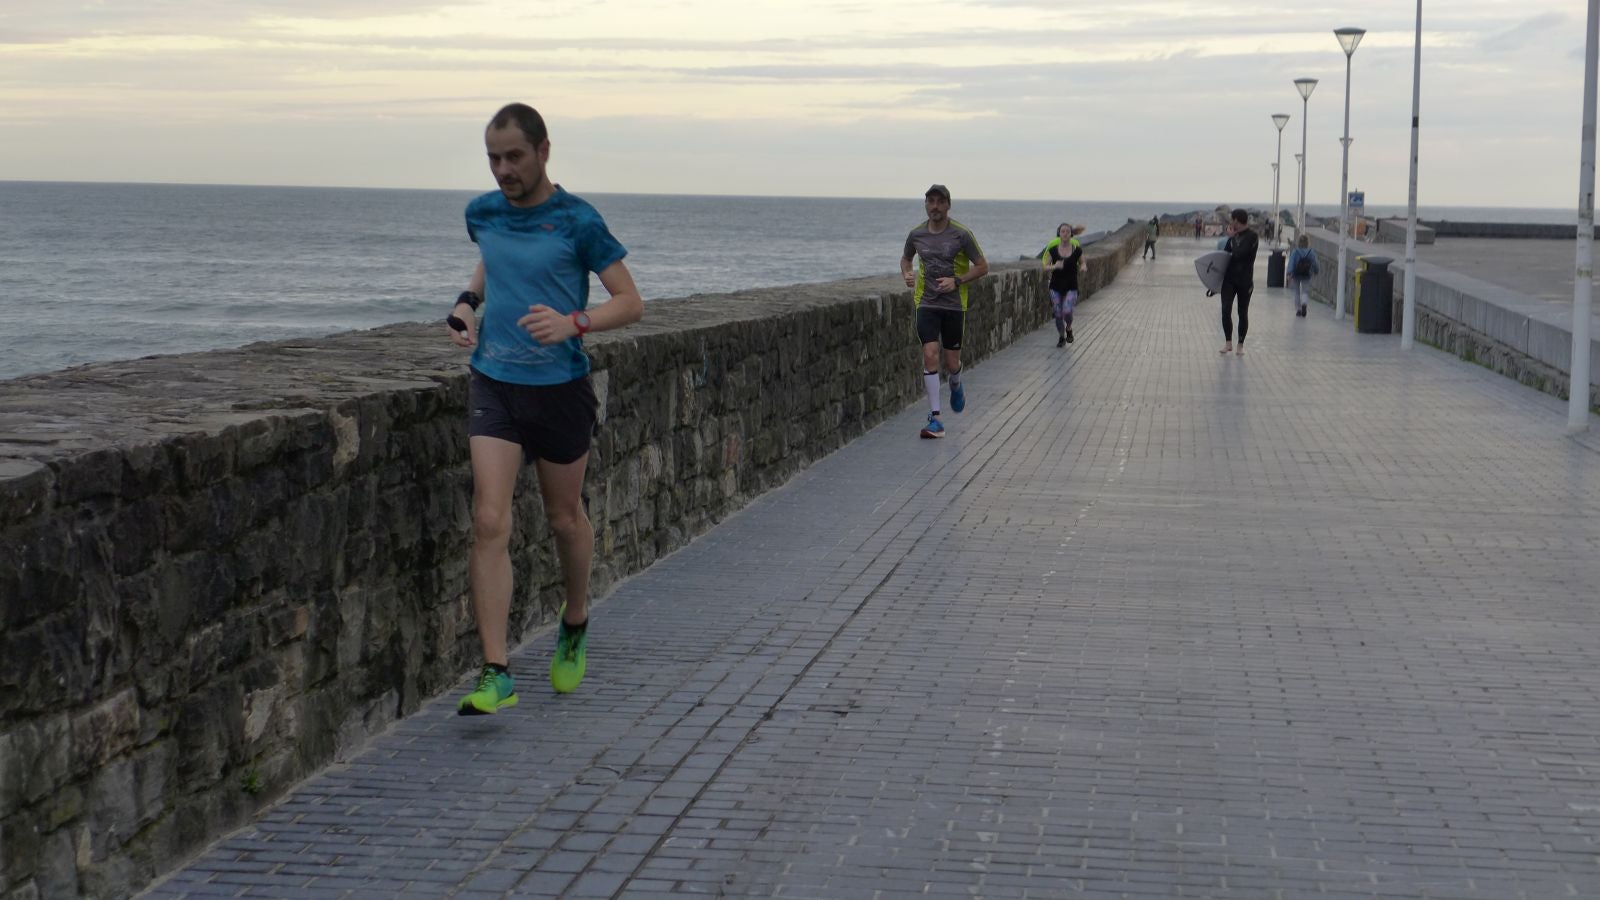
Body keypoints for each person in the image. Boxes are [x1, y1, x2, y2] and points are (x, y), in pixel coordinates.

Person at [448, 102, 644, 714]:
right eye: (493, 158)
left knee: (564, 520)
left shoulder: (578, 220)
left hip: (559, 389)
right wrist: (466, 302)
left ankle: (577, 617)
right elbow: (493, 258)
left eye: (514, 157)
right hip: (494, 381)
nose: (503, 170)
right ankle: (496, 671)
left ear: (543, 152)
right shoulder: (482, 212)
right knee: (488, 519)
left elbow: (630, 302)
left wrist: (573, 322)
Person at [901, 184, 989, 439]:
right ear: (926, 205)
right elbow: (906, 258)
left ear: (948, 205)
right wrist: (907, 273)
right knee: (929, 353)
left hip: (953, 305)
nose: (935, 206)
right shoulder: (916, 234)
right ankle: (935, 419)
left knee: (952, 363)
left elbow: (983, 267)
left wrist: (957, 281)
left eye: (940, 202)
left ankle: (956, 382)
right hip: (926, 303)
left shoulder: (961, 235)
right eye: (931, 202)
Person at [1219, 208, 1259, 356]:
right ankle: (1228, 342)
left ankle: (1240, 344)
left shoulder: (1253, 237)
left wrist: (1232, 237)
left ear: (1236, 220)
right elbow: (1224, 256)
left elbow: (1240, 254)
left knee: (1242, 312)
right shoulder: (1233, 237)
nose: (1230, 222)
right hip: (1229, 280)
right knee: (1225, 309)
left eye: (1232, 219)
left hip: (1245, 281)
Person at [1040, 223, 1084, 347]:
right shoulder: (1052, 246)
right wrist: (1054, 266)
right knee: (1058, 313)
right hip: (1055, 285)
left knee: (1067, 311)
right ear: (1059, 233)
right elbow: (1045, 265)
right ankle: (1061, 337)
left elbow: (1081, 260)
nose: (1065, 234)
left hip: (1071, 285)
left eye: (1067, 231)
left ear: (1071, 234)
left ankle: (1069, 328)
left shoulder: (1076, 246)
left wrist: (1083, 266)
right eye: (1062, 231)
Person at [1286, 234, 1319, 318]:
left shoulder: (1295, 251)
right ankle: (1304, 303)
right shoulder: (1310, 252)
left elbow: (1291, 263)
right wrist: (1316, 271)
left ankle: (1298, 309)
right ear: (1308, 242)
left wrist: (1289, 273)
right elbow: (1315, 263)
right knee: (1305, 291)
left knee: (1297, 292)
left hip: (1296, 274)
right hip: (1306, 274)